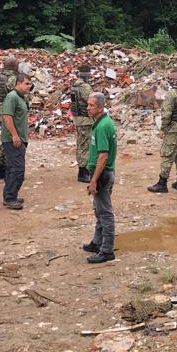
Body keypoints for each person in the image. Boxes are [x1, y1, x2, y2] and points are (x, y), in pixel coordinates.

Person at [82, 92, 117, 264]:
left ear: (101, 107)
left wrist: (94, 180)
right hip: (103, 172)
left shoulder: (103, 126)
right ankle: (97, 242)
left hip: (102, 173)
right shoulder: (102, 123)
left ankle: (107, 250)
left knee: (105, 213)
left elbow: (103, 156)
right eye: (88, 105)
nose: (88, 108)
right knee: (99, 209)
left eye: (91, 105)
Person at [148, 70, 177, 193]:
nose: (168, 80)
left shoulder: (172, 94)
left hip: (173, 129)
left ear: (173, 79)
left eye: (169, 78)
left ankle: (162, 183)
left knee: (167, 155)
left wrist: (163, 128)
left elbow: (166, 114)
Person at [0, 73, 31, 210]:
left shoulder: (20, 98)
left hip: (19, 139)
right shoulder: (12, 97)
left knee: (12, 168)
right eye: (26, 84)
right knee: (18, 169)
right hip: (13, 140)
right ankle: (10, 198)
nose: (29, 86)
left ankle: (10, 195)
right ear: (18, 83)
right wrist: (14, 135)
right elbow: (7, 116)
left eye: (30, 84)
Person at [0, 55, 19, 180]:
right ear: (14, 66)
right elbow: (16, 94)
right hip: (9, 110)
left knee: (5, 139)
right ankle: (8, 170)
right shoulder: (12, 78)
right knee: (10, 140)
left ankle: (1, 170)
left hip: (0, 108)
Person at [69, 66, 94, 183]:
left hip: (78, 118)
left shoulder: (74, 86)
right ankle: (83, 172)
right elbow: (91, 101)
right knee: (84, 146)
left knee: (81, 144)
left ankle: (84, 170)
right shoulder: (85, 87)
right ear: (87, 75)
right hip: (85, 119)